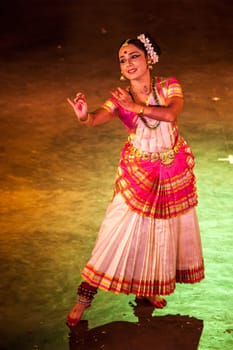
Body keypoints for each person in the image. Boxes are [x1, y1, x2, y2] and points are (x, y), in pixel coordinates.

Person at [66, 33, 205, 327]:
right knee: (114, 233)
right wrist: (84, 117)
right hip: (139, 173)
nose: (128, 63)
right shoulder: (120, 98)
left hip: (170, 169)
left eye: (134, 56)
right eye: (123, 59)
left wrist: (136, 107)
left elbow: (171, 114)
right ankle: (83, 299)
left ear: (148, 58)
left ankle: (148, 288)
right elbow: (96, 117)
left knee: (159, 232)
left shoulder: (169, 85)